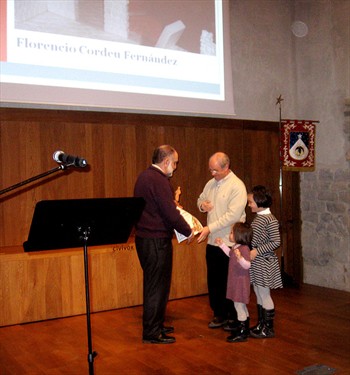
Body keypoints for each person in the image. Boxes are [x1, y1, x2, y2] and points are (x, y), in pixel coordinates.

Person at [134, 145, 194, 344]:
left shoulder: (143, 177)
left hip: (145, 239)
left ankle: (157, 324)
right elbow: (169, 213)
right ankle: (152, 332)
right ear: (166, 161)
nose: (175, 167)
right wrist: (189, 231)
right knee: (156, 287)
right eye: (174, 163)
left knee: (155, 285)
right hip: (156, 240)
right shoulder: (159, 180)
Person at [197, 152, 247, 329]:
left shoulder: (237, 186)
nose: (212, 174)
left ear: (226, 167)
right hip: (213, 242)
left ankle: (233, 316)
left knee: (230, 281)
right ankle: (218, 313)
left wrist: (209, 227)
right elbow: (200, 199)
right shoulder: (211, 183)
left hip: (230, 242)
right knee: (214, 280)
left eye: (215, 170)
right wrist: (202, 205)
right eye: (210, 170)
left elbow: (232, 216)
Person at [248, 185, 283, 339]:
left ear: (260, 201)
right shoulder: (260, 217)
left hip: (264, 261)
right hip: (257, 262)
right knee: (258, 292)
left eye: (250, 202)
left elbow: (276, 241)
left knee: (264, 293)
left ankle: (268, 328)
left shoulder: (270, 220)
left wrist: (257, 250)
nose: (249, 205)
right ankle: (261, 323)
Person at [215, 222, 253, 343]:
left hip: (240, 283)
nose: (229, 234)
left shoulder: (244, 248)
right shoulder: (236, 247)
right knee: (240, 305)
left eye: (231, 232)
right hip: (235, 281)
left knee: (239, 305)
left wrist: (240, 258)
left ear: (239, 235)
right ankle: (244, 328)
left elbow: (247, 265)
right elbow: (230, 254)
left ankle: (242, 332)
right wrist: (222, 245)